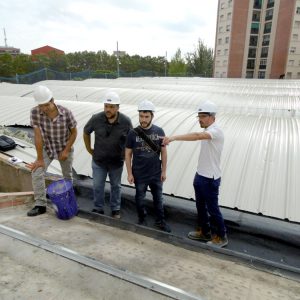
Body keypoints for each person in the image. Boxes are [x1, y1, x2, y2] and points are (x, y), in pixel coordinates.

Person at [163, 101, 227, 247]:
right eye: (199, 116)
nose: (200, 119)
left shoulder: (216, 131)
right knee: (200, 206)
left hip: (211, 178)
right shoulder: (208, 130)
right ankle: (205, 232)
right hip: (200, 175)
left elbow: (198, 136)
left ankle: (222, 236)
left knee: (213, 209)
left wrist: (173, 137)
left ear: (212, 117)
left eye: (203, 116)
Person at [26, 85, 77, 217]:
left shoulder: (66, 112)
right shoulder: (35, 112)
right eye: (41, 105)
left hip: (64, 147)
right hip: (47, 148)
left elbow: (74, 133)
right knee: (37, 172)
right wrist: (39, 159)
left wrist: (66, 150)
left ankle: (69, 200)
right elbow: (38, 136)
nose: (43, 108)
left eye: (46, 105)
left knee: (67, 176)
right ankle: (40, 204)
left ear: (53, 100)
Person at [83, 91, 132, 219]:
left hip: (116, 163)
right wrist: (89, 149)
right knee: (98, 185)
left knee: (116, 186)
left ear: (117, 107)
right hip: (99, 161)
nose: (108, 109)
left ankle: (115, 209)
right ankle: (98, 208)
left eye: (111, 107)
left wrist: (127, 156)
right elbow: (86, 132)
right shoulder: (96, 119)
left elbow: (131, 141)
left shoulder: (126, 122)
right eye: (106, 106)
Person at [125, 100, 171, 233]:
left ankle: (160, 221)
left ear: (152, 116)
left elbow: (163, 152)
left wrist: (164, 171)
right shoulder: (133, 133)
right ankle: (142, 219)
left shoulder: (159, 131)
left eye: (146, 116)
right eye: (141, 116)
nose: (143, 119)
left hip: (156, 173)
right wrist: (129, 173)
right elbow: (127, 154)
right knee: (139, 198)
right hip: (139, 174)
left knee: (158, 199)